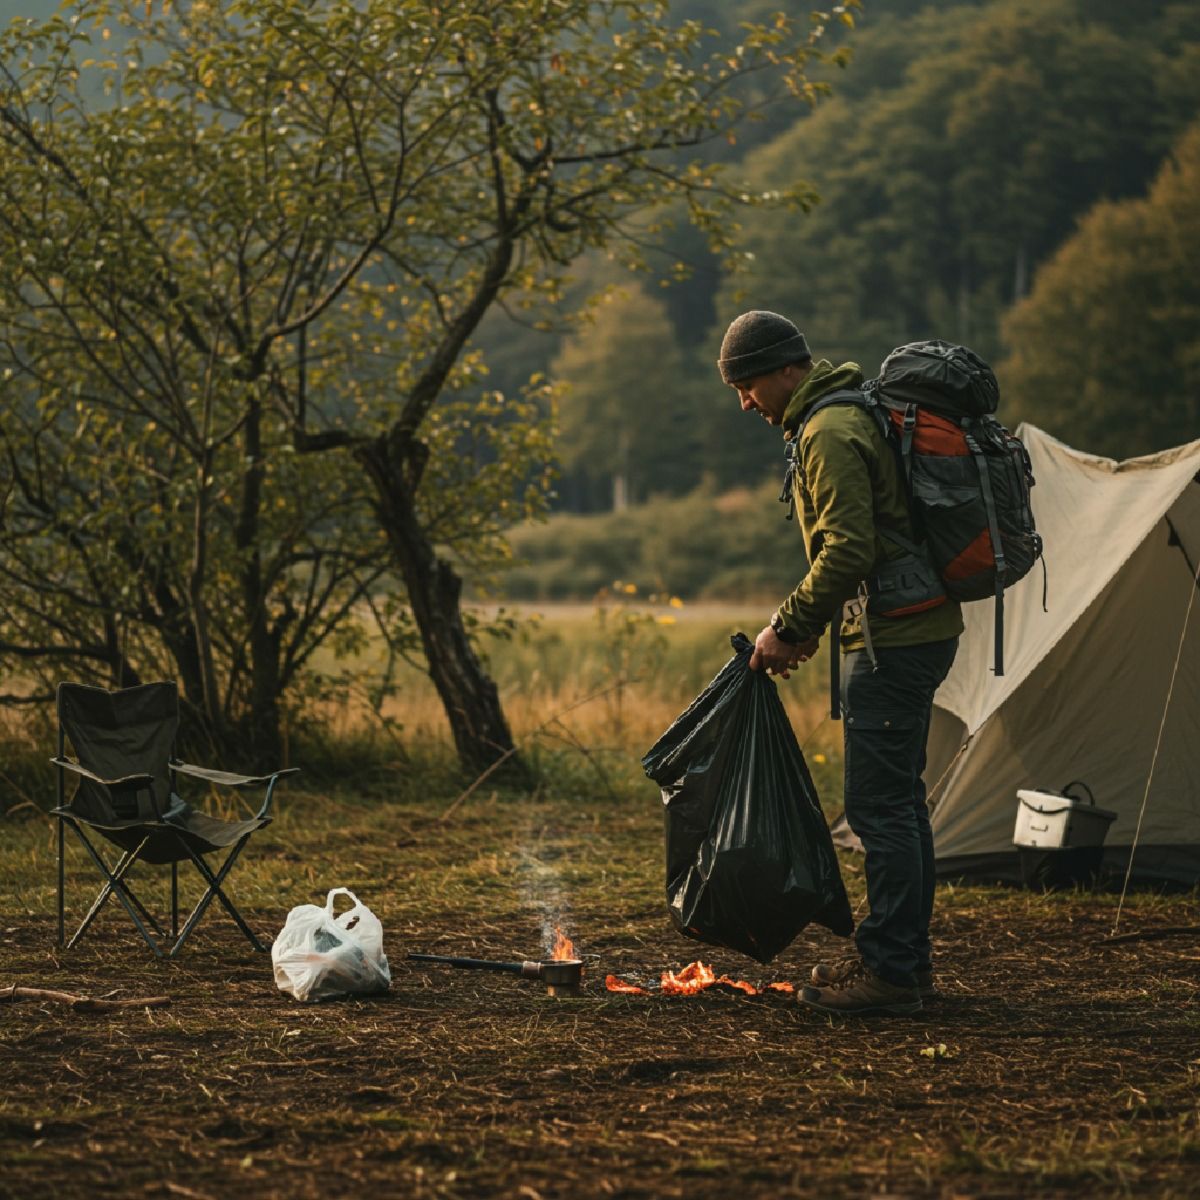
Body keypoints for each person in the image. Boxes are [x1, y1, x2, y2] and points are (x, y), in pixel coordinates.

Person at [717, 310, 963, 1016]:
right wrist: (812, 633)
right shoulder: (842, 414)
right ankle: (899, 960)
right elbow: (868, 547)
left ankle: (890, 974)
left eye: (748, 383)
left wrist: (786, 625)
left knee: (879, 810)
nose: (744, 402)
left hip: (898, 637)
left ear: (786, 369)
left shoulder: (827, 430)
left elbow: (848, 550)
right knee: (898, 808)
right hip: (907, 626)